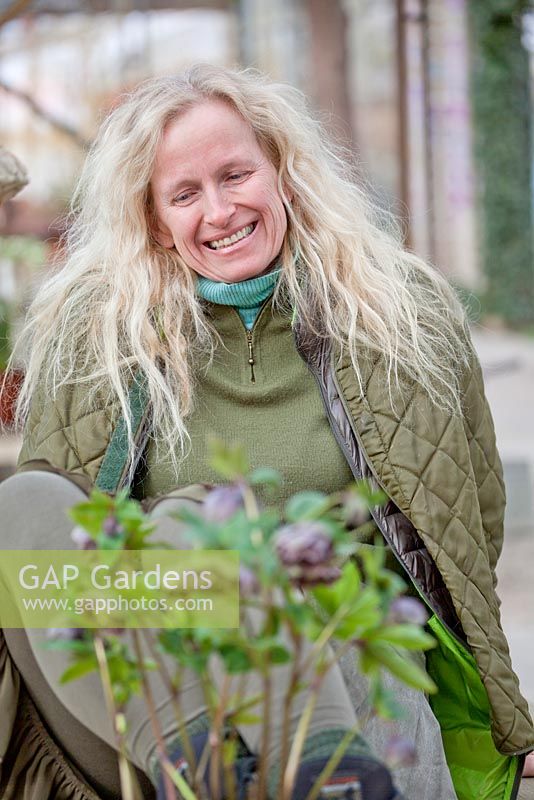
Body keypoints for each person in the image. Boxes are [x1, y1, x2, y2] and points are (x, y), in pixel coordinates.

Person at [0, 64, 532, 800]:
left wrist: (504, 717)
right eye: (184, 194)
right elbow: (52, 570)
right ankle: (205, 758)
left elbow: (467, 520)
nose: (218, 211)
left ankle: (327, 763)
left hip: (360, 651)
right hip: (178, 674)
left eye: (235, 174)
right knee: (137, 519)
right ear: (154, 217)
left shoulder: (401, 312)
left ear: (282, 169)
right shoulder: (93, 340)